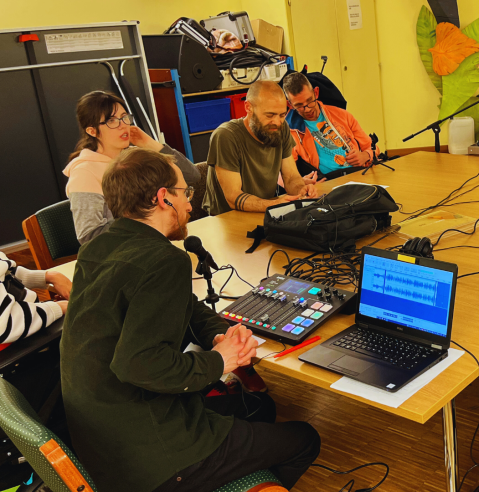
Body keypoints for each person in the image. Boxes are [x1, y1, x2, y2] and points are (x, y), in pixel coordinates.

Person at [61, 148, 320, 492]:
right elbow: (139, 365)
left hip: (102, 438)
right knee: (305, 438)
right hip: (154, 457)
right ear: (162, 198)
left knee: (260, 407)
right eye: (185, 193)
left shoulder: (99, 247)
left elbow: (180, 304)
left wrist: (220, 333)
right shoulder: (163, 260)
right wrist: (219, 361)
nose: (189, 204)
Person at [64, 91, 200, 244]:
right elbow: (89, 236)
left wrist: (151, 145)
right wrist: (144, 222)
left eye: (124, 117)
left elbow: (191, 176)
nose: (123, 125)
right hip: (128, 249)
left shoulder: (135, 157)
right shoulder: (84, 171)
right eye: (112, 120)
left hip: (158, 240)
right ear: (92, 131)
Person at [202, 80, 319, 215]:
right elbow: (233, 197)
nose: (277, 122)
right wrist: (273, 205)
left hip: (264, 211)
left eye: (282, 115)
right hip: (226, 217)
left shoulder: (282, 129)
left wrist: (301, 190)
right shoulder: (226, 136)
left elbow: (291, 177)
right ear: (248, 107)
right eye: (270, 115)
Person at [283, 72, 376, 177]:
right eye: (299, 106)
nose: (307, 109)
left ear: (316, 93)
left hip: (360, 172)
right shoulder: (289, 132)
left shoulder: (342, 115)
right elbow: (286, 173)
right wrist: (301, 181)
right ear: (290, 105)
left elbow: (373, 148)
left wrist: (365, 155)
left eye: (309, 101)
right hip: (328, 181)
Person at [0, 253, 71, 347]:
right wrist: (58, 308)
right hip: (14, 342)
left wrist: (51, 277)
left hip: (28, 315)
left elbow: (6, 272)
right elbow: (5, 325)